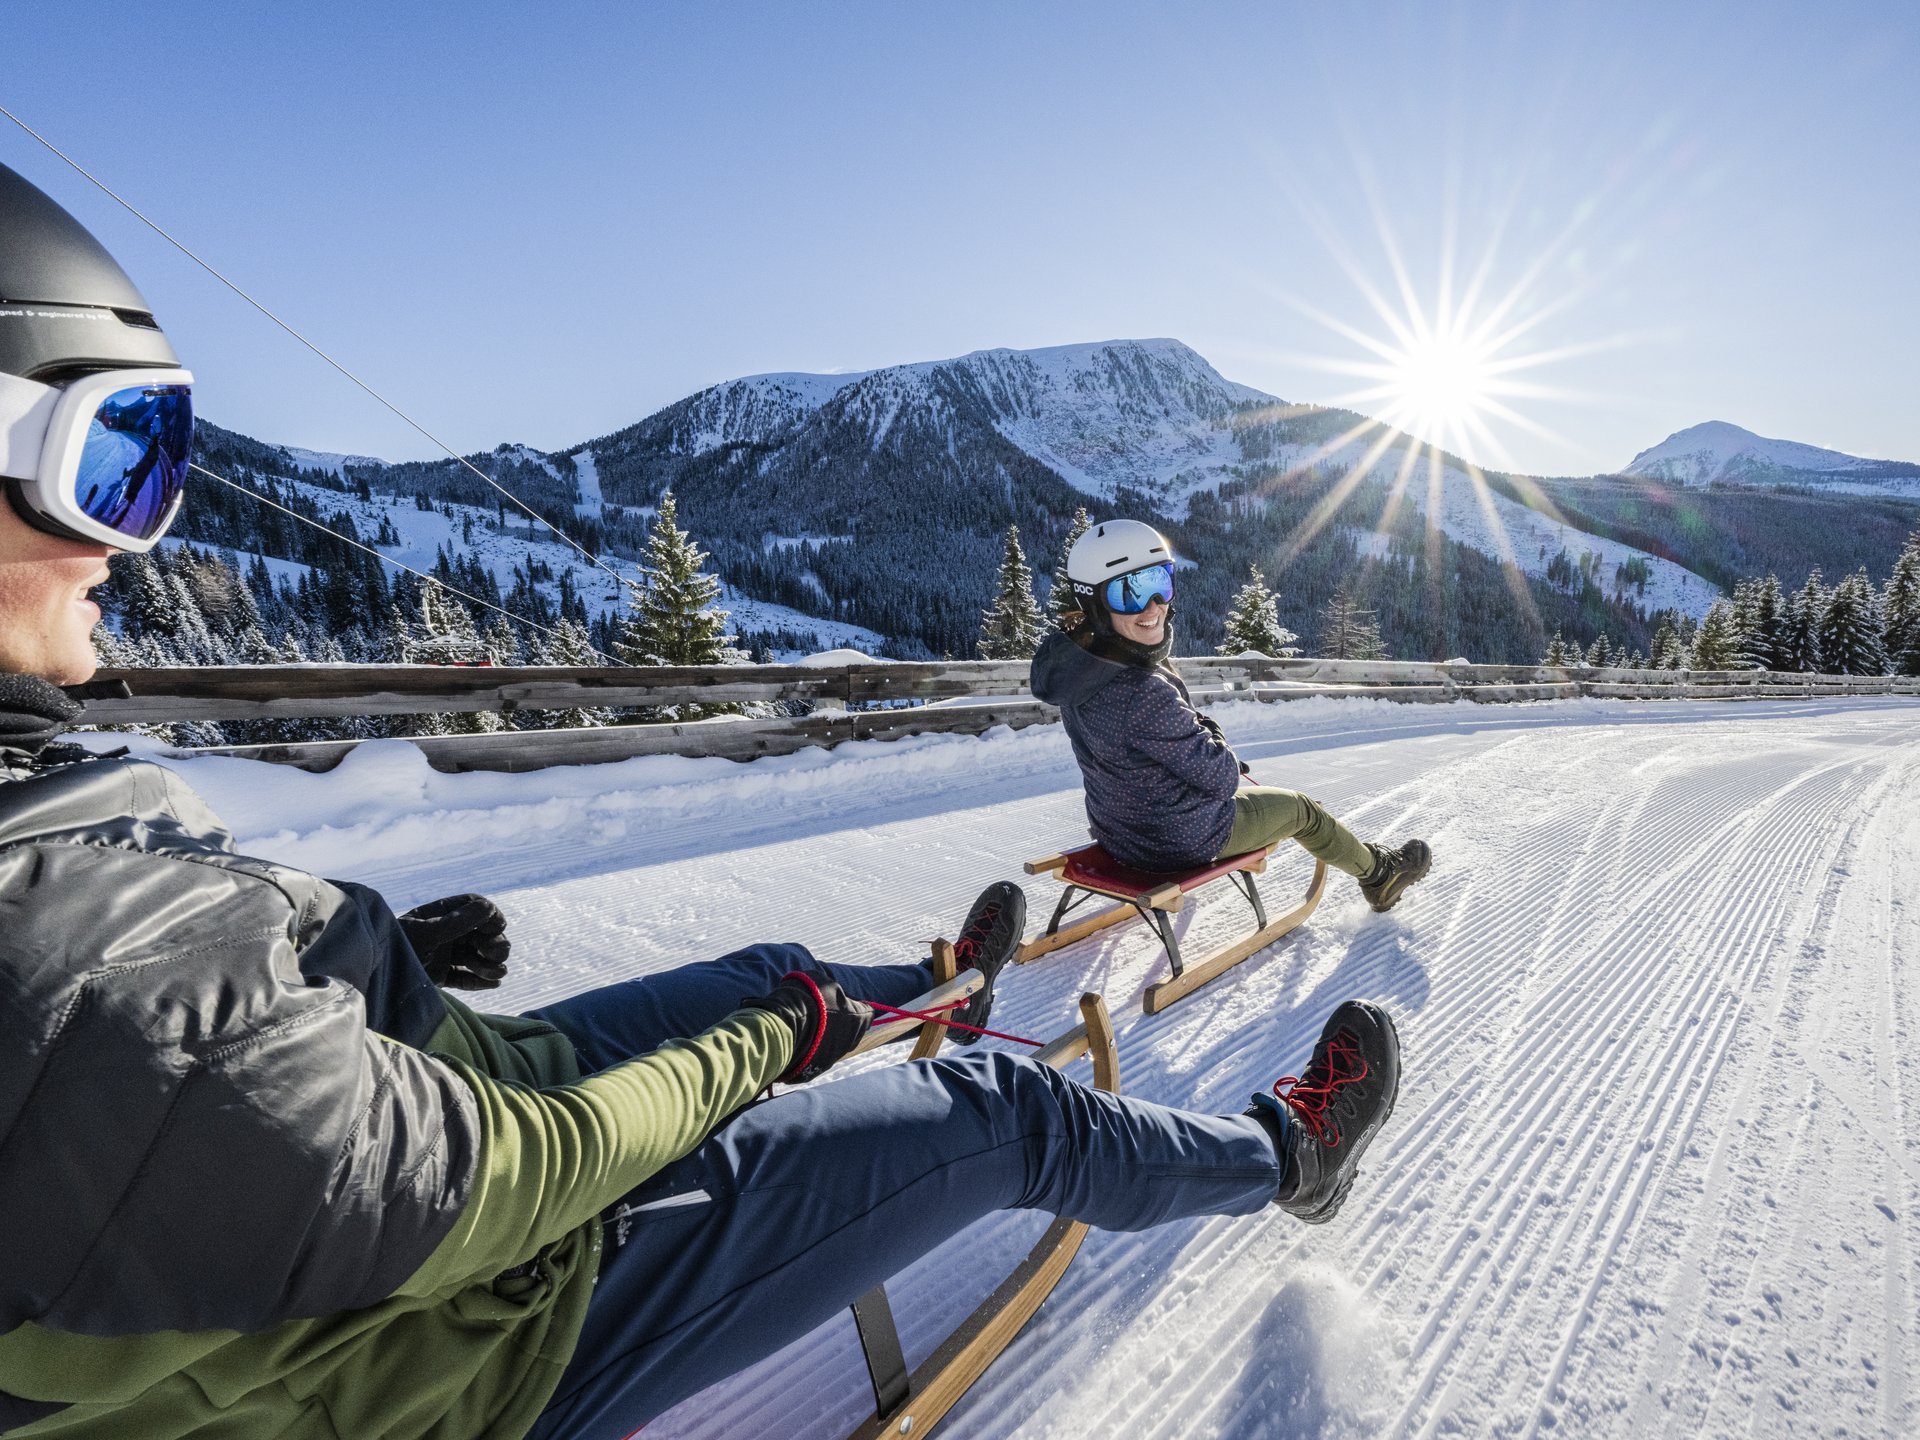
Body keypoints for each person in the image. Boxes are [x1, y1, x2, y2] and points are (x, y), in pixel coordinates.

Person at [0, 162, 1402, 1440]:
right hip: (475, 1338)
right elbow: (513, 1176)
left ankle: (931, 988)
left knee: (762, 969)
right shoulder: (71, 962)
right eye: (112, 455)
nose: (135, 536)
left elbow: (181, 1115)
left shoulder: (51, 855)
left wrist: (366, 968)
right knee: (1000, 1113)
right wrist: (762, 1048)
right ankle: (1285, 1153)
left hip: (388, 1148)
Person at [1032, 519, 1432, 910]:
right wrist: (1211, 733)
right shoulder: (1143, 691)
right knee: (1303, 810)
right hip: (1178, 841)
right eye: (1129, 593)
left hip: (1119, 833)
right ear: (1094, 604)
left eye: (1160, 582)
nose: (1153, 606)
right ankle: (1379, 876)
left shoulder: (1078, 671)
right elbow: (1223, 778)